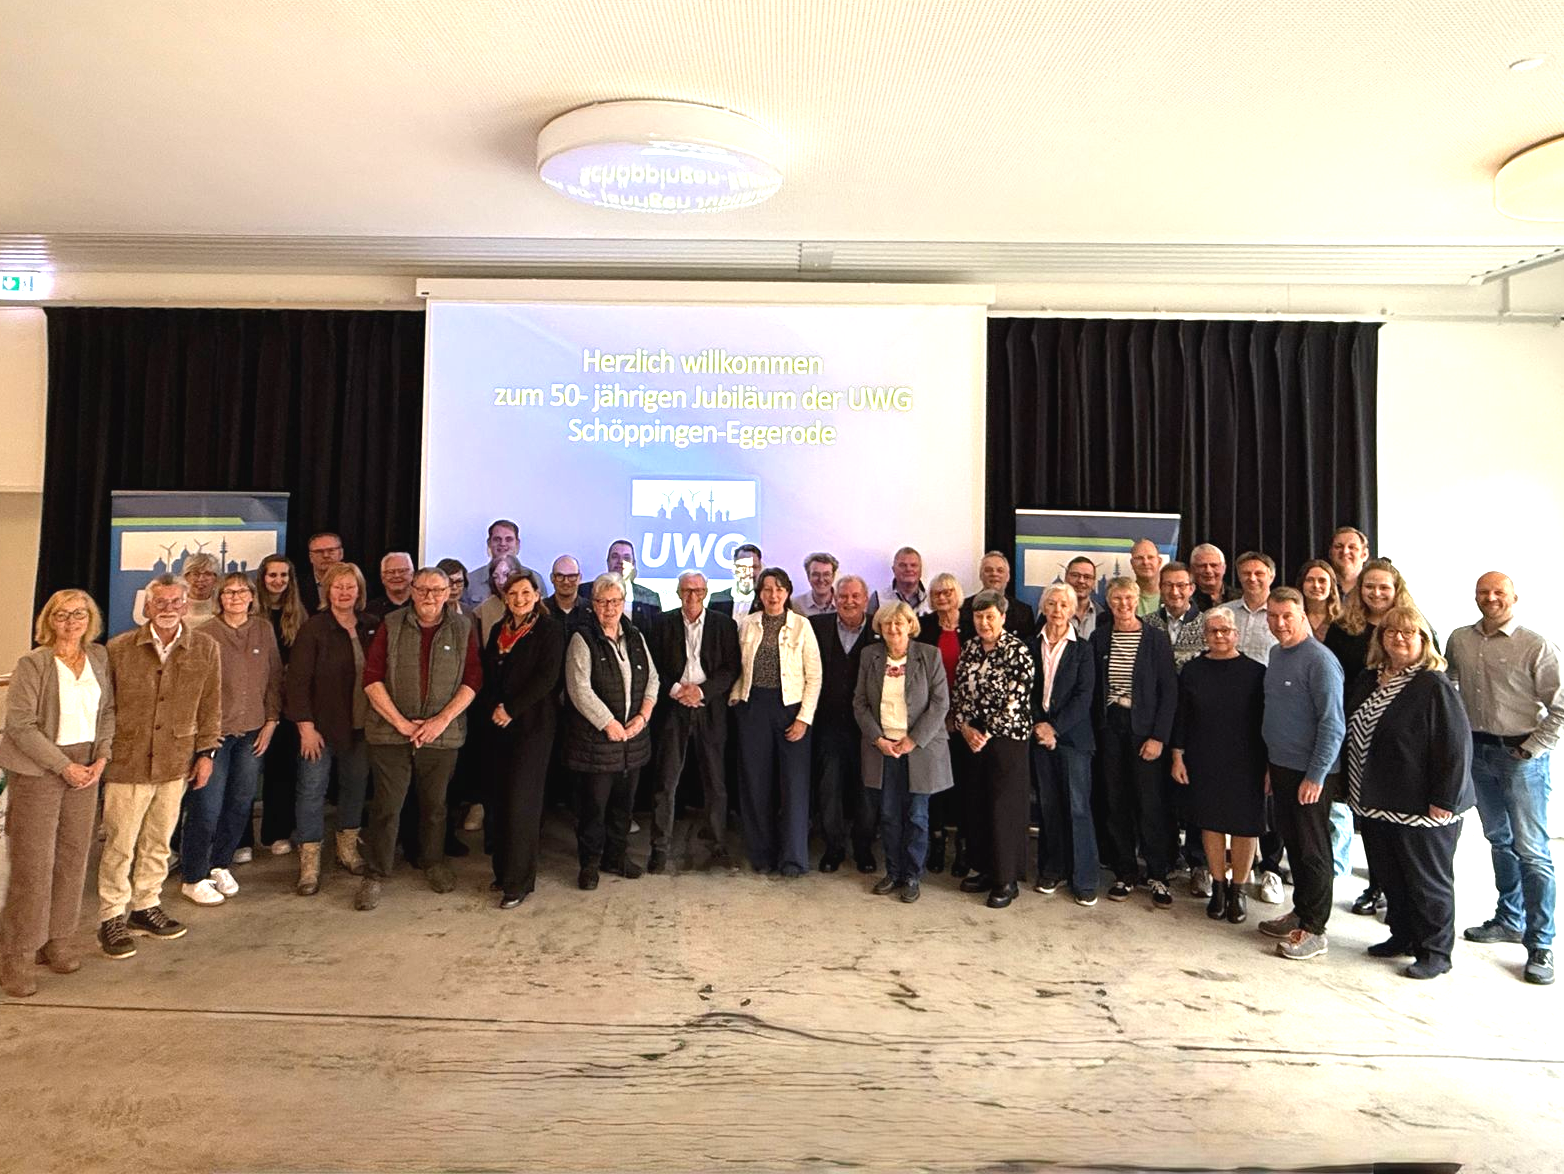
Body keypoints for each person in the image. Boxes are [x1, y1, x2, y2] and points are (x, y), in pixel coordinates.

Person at [96, 573, 221, 959]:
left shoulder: (205, 648)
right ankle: (111, 915)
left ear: (187, 605)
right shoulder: (118, 649)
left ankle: (146, 906)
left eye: (175, 602)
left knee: (158, 842)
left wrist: (206, 753)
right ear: (147, 607)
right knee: (120, 843)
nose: (168, 609)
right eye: (160, 602)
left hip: (175, 761)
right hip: (128, 761)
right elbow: (104, 707)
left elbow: (211, 704)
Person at [1346, 606, 1474, 979]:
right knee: (1391, 876)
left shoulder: (1433, 685)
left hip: (1422, 806)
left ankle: (1436, 952)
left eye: (1408, 633)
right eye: (1390, 632)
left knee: (1427, 881)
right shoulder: (1370, 678)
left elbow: (1456, 746)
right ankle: (1401, 936)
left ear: (1423, 639)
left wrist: (1444, 799)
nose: (1398, 639)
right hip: (1376, 801)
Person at [1447, 571, 1561, 986]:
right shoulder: (1460, 639)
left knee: (1533, 851)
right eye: (1484, 591)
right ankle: (1509, 919)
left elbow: (1560, 706)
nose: (1490, 598)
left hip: (1521, 757)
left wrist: (1530, 749)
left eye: (1499, 592)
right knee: (1499, 840)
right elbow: (1449, 684)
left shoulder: (1536, 645)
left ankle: (1541, 944)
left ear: (1514, 597)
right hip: (1478, 754)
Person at [0, 591, 115, 997]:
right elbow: (20, 725)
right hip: (40, 770)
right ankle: (16, 955)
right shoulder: (33, 663)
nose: (71, 622)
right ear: (49, 620)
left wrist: (102, 757)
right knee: (33, 867)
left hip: (86, 768)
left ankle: (57, 940)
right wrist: (63, 766)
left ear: (90, 619)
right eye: (62, 615)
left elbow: (107, 712)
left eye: (79, 614)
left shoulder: (98, 657)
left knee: (72, 859)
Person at [356, 566, 481, 910]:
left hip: (441, 734)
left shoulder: (463, 627)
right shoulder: (392, 624)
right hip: (390, 733)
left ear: (448, 593)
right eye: (423, 589)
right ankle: (375, 873)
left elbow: (472, 680)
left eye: (438, 590)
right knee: (387, 807)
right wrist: (401, 723)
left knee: (435, 806)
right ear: (412, 590)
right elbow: (371, 678)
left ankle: (433, 862)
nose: (430, 596)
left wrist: (440, 721)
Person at [179, 573, 282, 907]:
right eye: (228, 592)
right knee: (206, 806)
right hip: (216, 736)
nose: (235, 597)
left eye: (241, 591)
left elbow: (274, 677)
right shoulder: (205, 633)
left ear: (252, 596)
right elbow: (194, 687)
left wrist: (271, 721)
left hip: (253, 732)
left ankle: (219, 864)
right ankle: (193, 876)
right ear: (219, 598)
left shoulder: (264, 629)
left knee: (240, 803)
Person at [1259, 587, 1346, 961]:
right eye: (1273, 616)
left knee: (1313, 851)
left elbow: (1333, 725)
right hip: (1281, 767)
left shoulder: (1320, 660)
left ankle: (1314, 929)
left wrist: (1316, 775)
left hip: (1309, 774)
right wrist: (1271, 765)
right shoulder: (1276, 654)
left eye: (1287, 617)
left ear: (1303, 617)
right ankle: (1300, 911)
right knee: (1293, 845)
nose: (1279, 624)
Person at [1326, 557, 1417, 912]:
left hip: (1399, 734)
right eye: (1369, 586)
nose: (1376, 593)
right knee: (1368, 814)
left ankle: (1401, 893)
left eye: (1384, 587)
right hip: (1355, 728)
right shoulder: (1343, 628)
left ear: (1396, 590)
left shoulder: (1413, 626)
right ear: (1359, 589)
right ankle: (1377, 887)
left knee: (1397, 814)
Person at [285, 561, 380, 895]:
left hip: (362, 727)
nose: (344, 592)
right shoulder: (314, 628)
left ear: (359, 590)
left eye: (350, 586)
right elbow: (297, 682)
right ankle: (310, 861)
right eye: (338, 587)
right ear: (327, 591)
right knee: (312, 791)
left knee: (355, 787)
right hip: (321, 729)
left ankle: (347, 850)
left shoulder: (372, 625)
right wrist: (305, 728)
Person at [1170, 606, 1267, 925]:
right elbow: (1181, 717)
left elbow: (1266, 723)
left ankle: (1238, 891)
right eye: (1213, 631)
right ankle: (1219, 889)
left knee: (1244, 826)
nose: (1220, 636)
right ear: (1205, 635)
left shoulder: (1256, 672)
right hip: (1204, 757)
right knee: (1210, 823)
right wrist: (1177, 755)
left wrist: (1269, 766)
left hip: (1248, 760)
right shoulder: (1193, 671)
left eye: (1225, 630)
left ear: (1236, 634)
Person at [564, 572, 659, 889]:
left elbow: (653, 679)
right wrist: (608, 723)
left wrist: (643, 716)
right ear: (593, 604)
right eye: (603, 602)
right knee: (593, 810)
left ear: (623, 602)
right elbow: (579, 689)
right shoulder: (582, 638)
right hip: (597, 742)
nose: (609, 607)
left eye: (615, 601)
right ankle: (589, 865)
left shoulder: (635, 635)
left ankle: (616, 858)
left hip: (633, 740)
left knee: (623, 808)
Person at [854, 601, 953, 902]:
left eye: (900, 623)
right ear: (880, 627)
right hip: (883, 749)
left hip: (919, 749)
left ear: (911, 625)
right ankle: (893, 871)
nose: (893, 628)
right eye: (887, 623)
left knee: (917, 816)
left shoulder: (929, 655)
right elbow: (860, 703)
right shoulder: (870, 656)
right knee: (888, 815)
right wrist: (878, 739)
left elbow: (940, 702)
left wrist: (914, 740)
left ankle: (912, 875)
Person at [480, 567, 567, 907]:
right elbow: (488, 674)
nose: (519, 599)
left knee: (521, 804)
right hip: (498, 727)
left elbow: (547, 678)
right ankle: (502, 873)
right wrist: (495, 708)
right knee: (499, 800)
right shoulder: (498, 630)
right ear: (505, 598)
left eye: (526, 593)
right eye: (513, 594)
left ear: (537, 596)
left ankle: (519, 883)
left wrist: (511, 709)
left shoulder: (549, 630)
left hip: (533, 728)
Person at [1089, 577, 1178, 908]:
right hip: (1110, 727)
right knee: (1116, 801)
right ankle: (1124, 872)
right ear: (1109, 602)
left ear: (1138, 599)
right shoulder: (1100, 637)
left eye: (1128, 598)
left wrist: (1159, 737)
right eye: (1116, 599)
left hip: (1145, 730)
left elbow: (1169, 691)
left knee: (1150, 802)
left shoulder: (1155, 638)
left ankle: (1158, 873)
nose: (1123, 604)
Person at [730, 567, 822, 876]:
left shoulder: (802, 626)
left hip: (790, 710)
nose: (773, 595)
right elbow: (737, 666)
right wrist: (736, 698)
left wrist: (804, 718)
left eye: (780, 589)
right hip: (754, 707)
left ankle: (793, 859)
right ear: (759, 593)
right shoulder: (747, 624)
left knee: (794, 786)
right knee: (756, 783)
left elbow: (815, 677)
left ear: (788, 592)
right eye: (768, 589)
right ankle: (761, 855)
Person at [647, 571, 740, 874]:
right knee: (666, 780)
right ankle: (660, 848)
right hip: (673, 707)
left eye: (697, 591)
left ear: (706, 593)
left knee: (715, 781)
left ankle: (717, 845)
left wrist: (701, 691)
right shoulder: (662, 623)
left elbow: (731, 668)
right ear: (677, 593)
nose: (692, 596)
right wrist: (677, 690)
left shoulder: (723, 625)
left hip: (709, 707)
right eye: (686, 591)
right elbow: (653, 665)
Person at [951, 589, 1036, 909]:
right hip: (972, 739)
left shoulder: (1018, 651)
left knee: (1004, 809)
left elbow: (1017, 699)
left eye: (990, 616)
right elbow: (959, 692)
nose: (984, 622)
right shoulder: (970, 648)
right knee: (977, 805)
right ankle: (985, 869)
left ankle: (1006, 879)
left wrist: (984, 732)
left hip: (1006, 740)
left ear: (1002, 617)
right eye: (978, 616)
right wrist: (965, 727)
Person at [1029, 584, 1098, 906]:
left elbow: (1084, 696)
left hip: (1073, 740)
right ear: (1043, 607)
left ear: (1072, 611)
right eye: (1052, 604)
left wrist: (1054, 727)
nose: (1057, 610)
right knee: (1049, 807)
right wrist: (1039, 725)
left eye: (1063, 605)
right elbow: (1024, 689)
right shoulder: (1029, 644)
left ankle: (1084, 879)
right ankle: (1051, 870)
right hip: (1039, 737)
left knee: (1078, 808)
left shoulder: (1084, 650)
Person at [808, 574, 879, 874]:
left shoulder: (880, 628)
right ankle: (833, 847)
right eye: (844, 596)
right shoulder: (816, 627)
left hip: (869, 727)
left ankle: (863, 848)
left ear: (866, 599)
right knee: (829, 789)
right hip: (828, 725)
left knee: (867, 791)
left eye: (855, 596)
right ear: (835, 599)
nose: (849, 601)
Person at [917, 571, 973, 875]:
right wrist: (939, 716)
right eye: (936, 593)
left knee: (964, 785)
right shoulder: (923, 628)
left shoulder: (973, 625)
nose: (942, 597)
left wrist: (959, 717)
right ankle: (936, 842)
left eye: (947, 592)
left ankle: (963, 847)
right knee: (934, 784)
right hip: (931, 719)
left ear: (958, 595)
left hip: (967, 721)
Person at [252, 553, 306, 857]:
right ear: (262, 578)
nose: (278, 580)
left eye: (284, 575)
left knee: (281, 771)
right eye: (272, 575)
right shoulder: (249, 611)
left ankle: (277, 833)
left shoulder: (298, 614)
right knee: (246, 776)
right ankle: (240, 840)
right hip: (251, 701)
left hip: (285, 703)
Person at [1143, 560, 1208, 670]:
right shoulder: (1146, 624)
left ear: (1191, 589)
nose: (1174, 592)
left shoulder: (1207, 625)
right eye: (1168, 585)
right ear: (1160, 588)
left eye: (1181, 585)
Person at [961, 552, 1035, 639]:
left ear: (1008, 576)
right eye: (988, 570)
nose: (994, 574)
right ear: (980, 575)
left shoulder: (1024, 612)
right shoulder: (963, 608)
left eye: (1000, 570)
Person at [1229, 551, 1278, 665]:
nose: (1252, 578)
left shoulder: (1287, 615)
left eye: (1259, 573)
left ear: (1271, 577)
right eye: (1246, 573)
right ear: (1239, 577)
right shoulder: (1224, 612)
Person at [602, 539, 663, 631]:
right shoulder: (586, 592)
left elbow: (657, 633)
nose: (620, 561)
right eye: (615, 557)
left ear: (633, 564)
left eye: (626, 558)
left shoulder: (650, 598)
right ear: (608, 561)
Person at [462, 518, 521, 608]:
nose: (503, 544)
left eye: (509, 539)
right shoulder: (470, 581)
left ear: (517, 543)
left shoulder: (535, 579)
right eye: (497, 539)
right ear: (489, 543)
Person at [470, 555, 523, 646]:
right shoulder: (486, 607)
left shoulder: (529, 602)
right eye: (496, 577)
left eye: (506, 575)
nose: (501, 581)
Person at [869, 546, 931, 616]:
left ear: (921, 569)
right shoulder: (878, 598)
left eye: (913, 565)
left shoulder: (931, 599)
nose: (908, 569)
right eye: (903, 565)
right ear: (893, 569)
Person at [710, 543, 763, 618]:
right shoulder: (716, 599)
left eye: (753, 567)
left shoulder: (766, 601)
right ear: (734, 569)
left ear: (760, 569)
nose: (748, 572)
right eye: (743, 567)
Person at [1297, 558, 1343, 643]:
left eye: (1322, 581)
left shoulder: (1343, 620)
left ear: (1331, 586)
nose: (1316, 585)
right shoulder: (1293, 617)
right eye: (1310, 580)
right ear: (1301, 584)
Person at [1064, 556, 1107, 639]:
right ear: (1065, 578)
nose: (1081, 581)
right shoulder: (1051, 613)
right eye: (1075, 575)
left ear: (1094, 582)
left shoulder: (1104, 615)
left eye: (1087, 577)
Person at [364, 551, 414, 621]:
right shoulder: (370, 611)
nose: (397, 575)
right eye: (390, 572)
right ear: (382, 577)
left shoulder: (422, 604)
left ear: (412, 574)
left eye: (402, 571)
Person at [301, 531, 345, 611]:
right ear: (310, 557)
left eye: (331, 550)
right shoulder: (297, 587)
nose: (326, 555)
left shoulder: (357, 584)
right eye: (319, 551)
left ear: (341, 553)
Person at [1190, 543, 1240, 612]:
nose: (1208, 571)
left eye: (1214, 565)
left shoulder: (1240, 598)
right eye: (1202, 566)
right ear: (1192, 569)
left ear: (1224, 568)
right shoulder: (1186, 600)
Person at [544, 554, 590, 627]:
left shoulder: (592, 610)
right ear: (552, 578)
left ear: (580, 578)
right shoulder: (540, 610)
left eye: (571, 576)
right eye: (560, 576)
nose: (566, 582)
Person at [1328, 525, 1370, 598]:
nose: (1345, 551)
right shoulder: (1321, 587)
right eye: (1338, 546)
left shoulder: (1375, 588)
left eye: (1352, 547)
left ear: (1364, 555)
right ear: (1330, 553)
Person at [794, 551, 838, 617]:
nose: (821, 579)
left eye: (826, 574)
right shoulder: (795, 606)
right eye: (816, 574)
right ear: (808, 576)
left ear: (833, 576)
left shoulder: (844, 603)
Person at [1129, 538, 1163, 617]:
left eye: (1150, 557)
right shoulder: (1123, 599)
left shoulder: (1173, 595)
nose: (1145, 562)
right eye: (1139, 558)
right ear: (1132, 563)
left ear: (1159, 562)